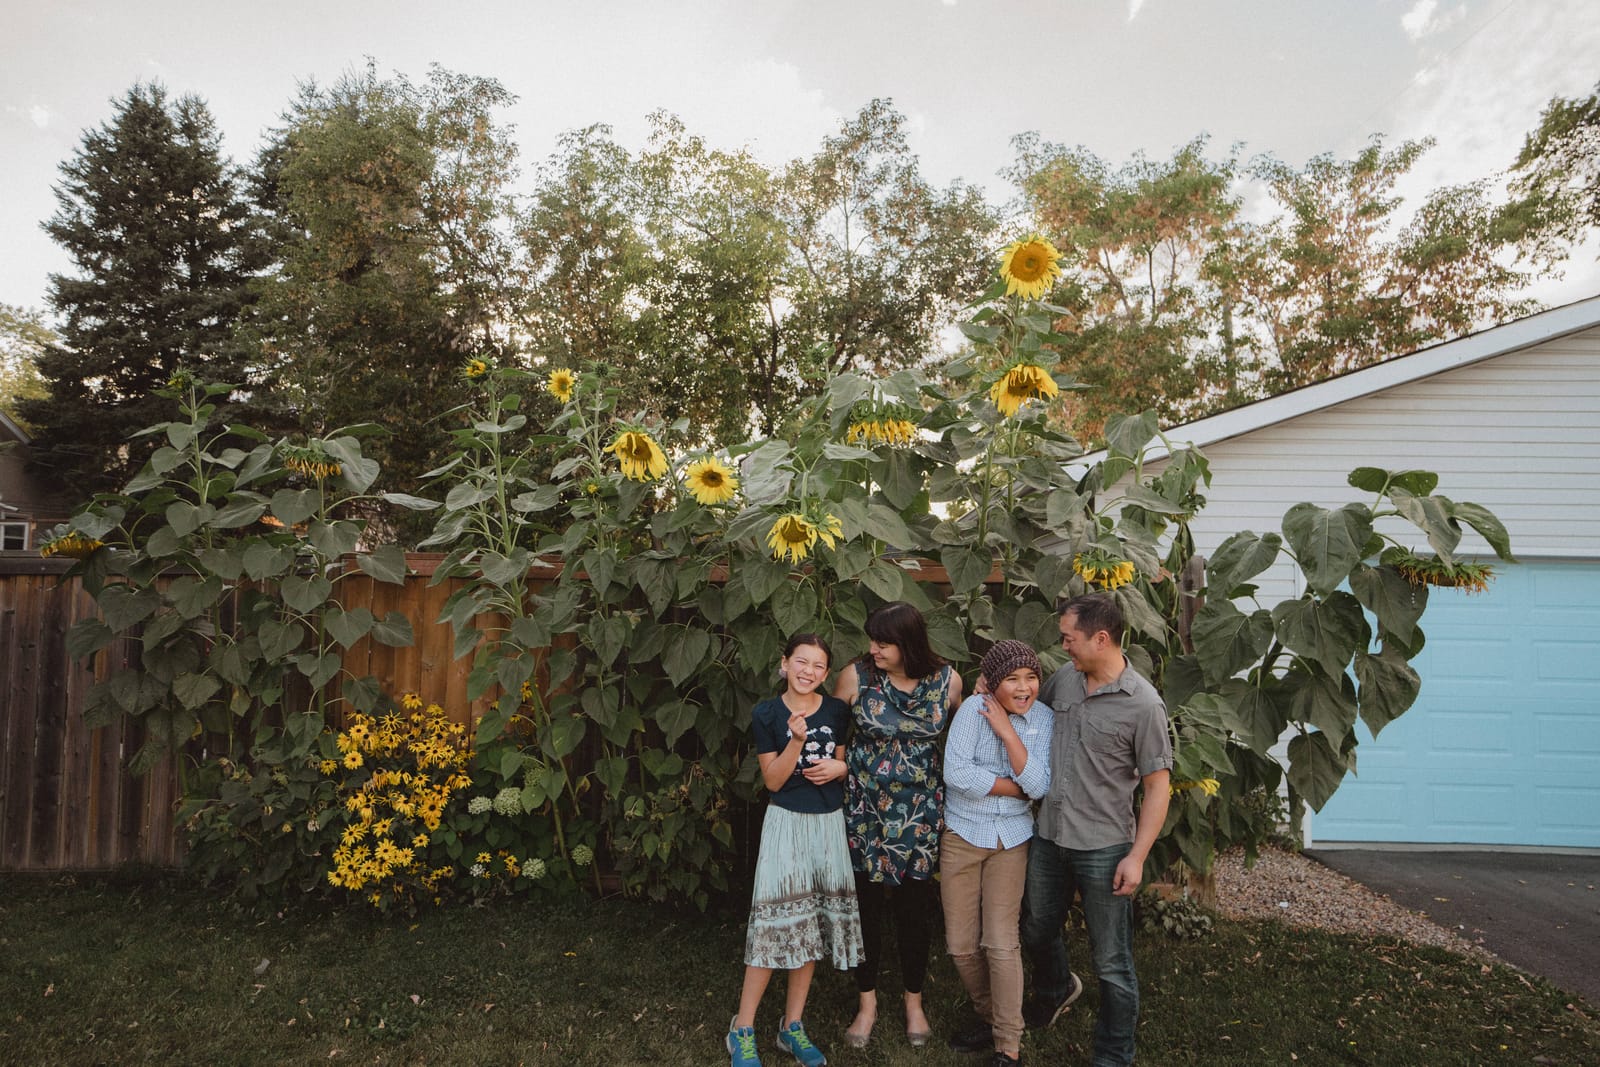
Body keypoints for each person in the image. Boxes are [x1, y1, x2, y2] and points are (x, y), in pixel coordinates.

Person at [1019, 593, 1172, 1067]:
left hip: (1104, 847)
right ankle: (1056, 987)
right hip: (1049, 836)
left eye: (1070, 638)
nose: (1062, 646)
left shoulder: (1143, 705)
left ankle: (1113, 1054)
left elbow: (1157, 787)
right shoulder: (1064, 681)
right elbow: (1026, 720)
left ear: (1100, 639)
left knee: (1112, 961)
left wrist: (1138, 856)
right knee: (1036, 929)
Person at [728, 634, 863, 1067]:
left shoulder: (837, 711)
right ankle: (742, 1029)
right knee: (773, 928)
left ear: (827, 673)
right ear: (784, 663)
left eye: (819, 666)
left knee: (810, 929)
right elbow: (772, 781)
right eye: (801, 662)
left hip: (827, 825)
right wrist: (796, 741)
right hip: (786, 823)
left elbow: (842, 765)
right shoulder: (767, 713)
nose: (808, 671)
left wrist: (842, 766)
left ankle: (792, 1028)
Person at [833, 601, 963, 1048]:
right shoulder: (857, 678)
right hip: (866, 812)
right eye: (872, 640)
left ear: (908, 643)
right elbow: (828, 733)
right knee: (865, 906)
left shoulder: (948, 682)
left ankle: (914, 1000)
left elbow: (968, 734)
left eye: (882, 642)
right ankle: (866, 1002)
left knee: (914, 911)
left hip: (920, 817)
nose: (873, 649)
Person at [941, 640, 1055, 1067]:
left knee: (1001, 942)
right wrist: (1016, 784)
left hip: (1011, 838)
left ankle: (1008, 1044)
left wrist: (1007, 731)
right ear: (991, 683)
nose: (1024, 688)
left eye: (1031, 678)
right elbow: (956, 773)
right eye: (1013, 679)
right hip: (962, 834)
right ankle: (993, 1017)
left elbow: (1042, 785)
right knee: (960, 945)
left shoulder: (1043, 720)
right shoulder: (973, 710)